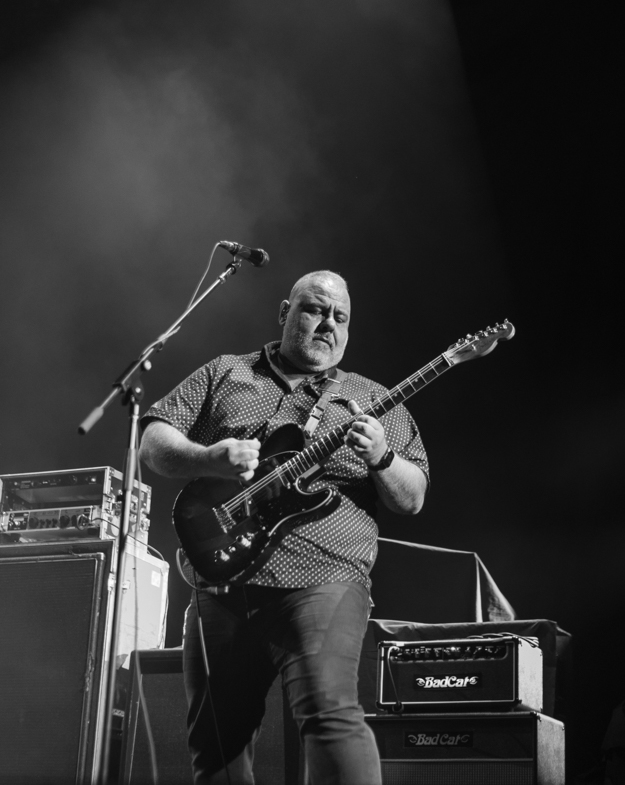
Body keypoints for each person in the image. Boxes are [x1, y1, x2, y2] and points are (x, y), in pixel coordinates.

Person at [139, 270, 429, 785]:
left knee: (330, 714)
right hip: (222, 581)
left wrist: (383, 456)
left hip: (323, 575)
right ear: (284, 312)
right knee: (216, 748)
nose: (328, 325)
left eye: (340, 317)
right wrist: (209, 456)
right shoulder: (227, 373)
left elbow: (413, 497)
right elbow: (154, 443)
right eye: (316, 309)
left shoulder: (371, 398)